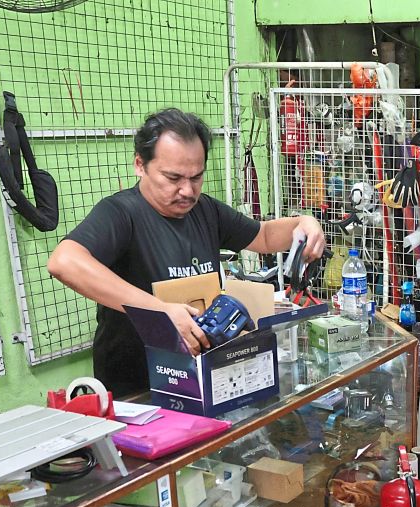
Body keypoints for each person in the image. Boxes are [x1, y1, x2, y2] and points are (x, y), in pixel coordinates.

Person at [48, 108, 326, 395]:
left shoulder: (206, 211)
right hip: (139, 391)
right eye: (173, 178)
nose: (187, 191)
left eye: (196, 177)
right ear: (140, 165)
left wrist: (303, 223)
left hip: (202, 380)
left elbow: (264, 236)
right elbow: (64, 261)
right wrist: (160, 312)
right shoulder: (121, 213)